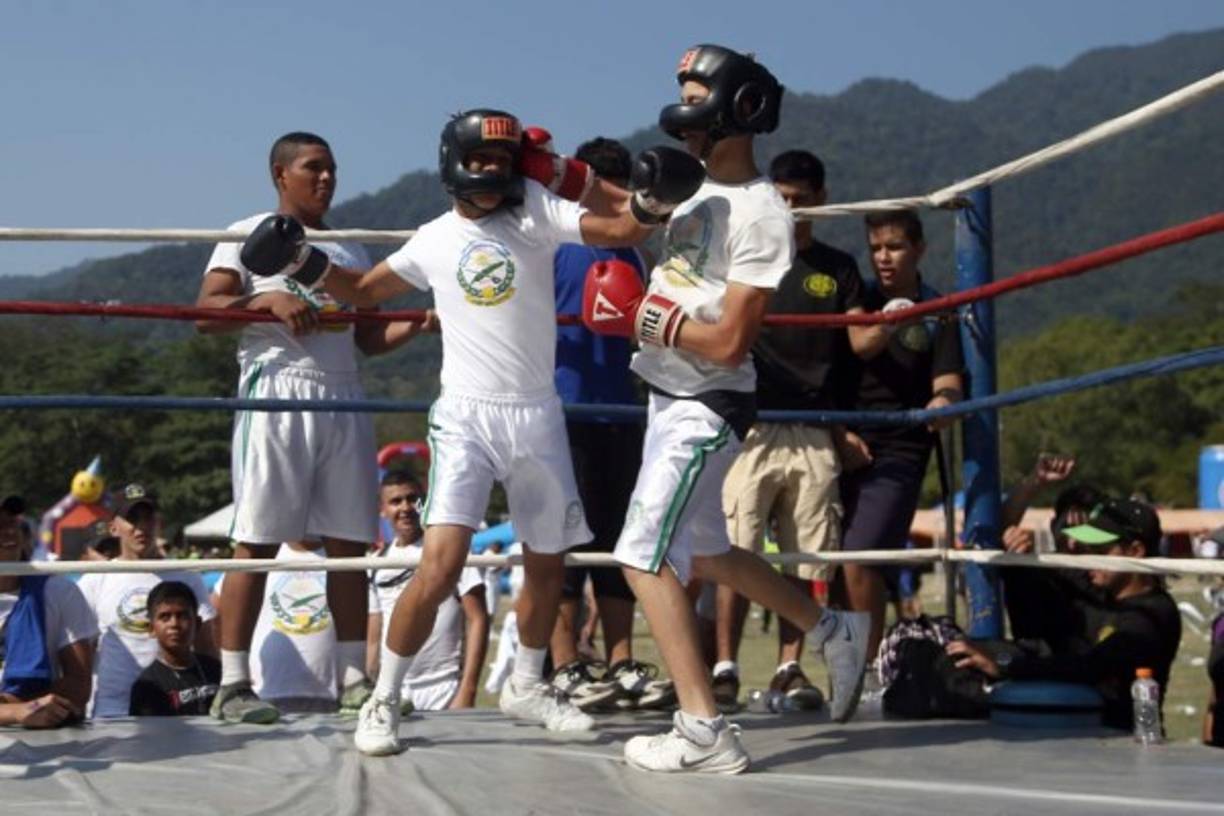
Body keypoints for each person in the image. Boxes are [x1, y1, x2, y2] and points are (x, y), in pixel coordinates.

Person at [234, 107, 705, 755]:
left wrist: (652, 202)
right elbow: (366, 292)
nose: (492, 172)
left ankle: (528, 683)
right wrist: (297, 262)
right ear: (455, 162)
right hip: (465, 415)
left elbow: (616, 228)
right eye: (480, 160)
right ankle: (384, 698)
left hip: (537, 413)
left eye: (501, 160)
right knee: (440, 563)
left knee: (547, 562)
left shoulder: (537, 209)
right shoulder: (433, 238)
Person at [582, 44, 871, 774]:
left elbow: (733, 338)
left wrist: (650, 319)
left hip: (705, 402)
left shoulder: (764, 213)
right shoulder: (688, 188)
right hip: (667, 395)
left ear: (734, 109)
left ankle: (704, 729)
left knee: (642, 552)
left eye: (693, 94)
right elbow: (616, 211)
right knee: (706, 551)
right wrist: (539, 166)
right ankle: (830, 626)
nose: (681, 112)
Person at [195, 132, 429, 724]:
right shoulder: (245, 230)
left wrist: (421, 325)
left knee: (349, 542)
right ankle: (232, 684)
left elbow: (370, 338)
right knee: (257, 539)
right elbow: (205, 314)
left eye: (332, 169)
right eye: (313, 168)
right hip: (276, 392)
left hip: (344, 395)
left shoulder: (349, 248)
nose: (326, 178)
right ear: (281, 174)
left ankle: (353, 678)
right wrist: (266, 303)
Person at [713, 148, 874, 712]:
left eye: (801, 200)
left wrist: (908, 314)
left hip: (814, 427)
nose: (790, 208)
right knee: (735, 548)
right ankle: (724, 666)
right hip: (749, 424)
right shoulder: (748, 258)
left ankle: (790, 668)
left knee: (809, 558)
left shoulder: (839, 268)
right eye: (781, 198)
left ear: (822, 201)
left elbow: (858, 350)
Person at [549, 136, 672, 712]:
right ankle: (567, 663)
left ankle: (621, 661)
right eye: (598, 178)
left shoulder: (636, 251)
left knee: (619, 541)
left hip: (621, 411)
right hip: (562, 412)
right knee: (560, 541)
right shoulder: (551, 240)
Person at [835, 209, 964, 660]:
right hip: (843, 443)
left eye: (895, 246)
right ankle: (844, 670)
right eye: (875, 248)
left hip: (902, 447)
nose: (883, 258)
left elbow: (948, 381)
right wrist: (839, 435)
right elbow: (827, 377)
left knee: (859, 556)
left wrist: (943, 404)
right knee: (835, 567)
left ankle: (865, 670)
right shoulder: (856, 303)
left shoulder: (937, 310)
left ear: (919, 249)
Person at [947, 497, 1181, 731]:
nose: (1090, 557)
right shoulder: (1098, 589)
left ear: (1135, 551)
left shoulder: (1153, 614)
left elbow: (1090, 667)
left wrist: (1003, 665)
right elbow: (1000, 538)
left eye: (1100, 549)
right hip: (1082, 733)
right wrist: (1019, 552)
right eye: (1088, 548)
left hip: (1126, 742)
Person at [77, 484, 217, 718]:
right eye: (132, 518)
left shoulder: (187, 575)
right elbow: (81, 654)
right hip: (115, 712)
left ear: (159, 523)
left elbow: (206, 648)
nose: (141, 527)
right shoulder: (94, 580)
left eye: (148, 518)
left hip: (178, 708)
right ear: (113, 527)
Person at [368, 471, 489, 711]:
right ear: (382, 510)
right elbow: (374, 635)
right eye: (395, 501)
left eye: (412, 498)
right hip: (392, 689)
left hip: (444, 689)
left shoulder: (452, 552)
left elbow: (478, 619)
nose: (405, 507)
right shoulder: (375, 563)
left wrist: (468, 689)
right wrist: (371, 684)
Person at [0, 493, 94, 728]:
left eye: (12, 522)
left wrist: (21, 709)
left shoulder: (61, 591)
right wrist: (15, 711)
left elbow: (79, 687)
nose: (9, 531)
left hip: (41, 742)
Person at [129, 581, 221, 716]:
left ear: (198, 624)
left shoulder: (216, 670)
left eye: (182, 616)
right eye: (165, 617)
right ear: (151, 628)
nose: (174, 624)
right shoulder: (147, 685)